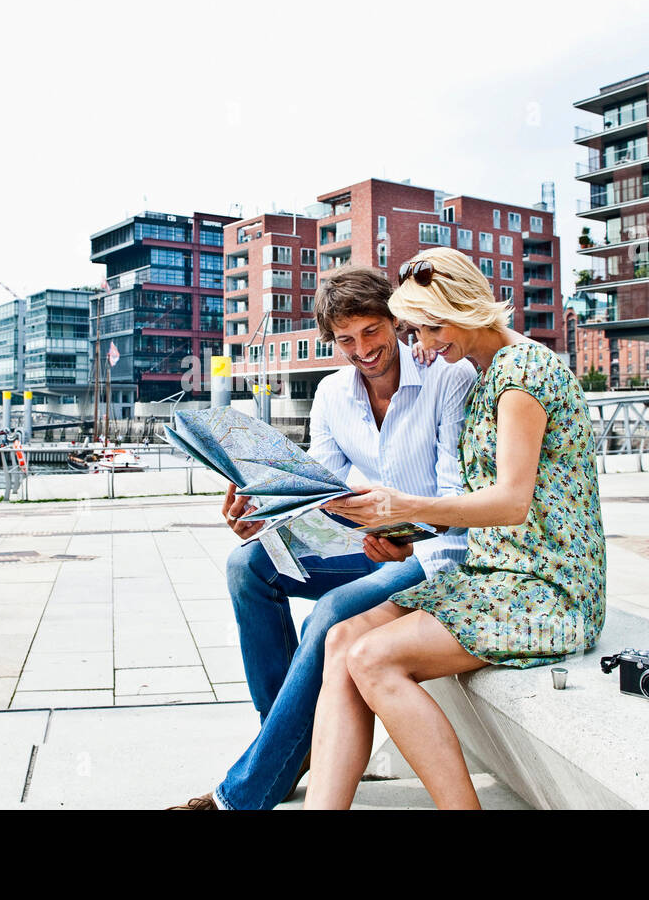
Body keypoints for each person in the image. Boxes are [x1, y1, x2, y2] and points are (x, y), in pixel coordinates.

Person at [304, 247, 606, 810]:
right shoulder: (487, 371)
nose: (423, 344)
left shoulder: (522, 374)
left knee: (373, 658)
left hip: (547, 588)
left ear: (469, 308)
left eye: (432, 327)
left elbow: (512, 502)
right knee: (341, 637)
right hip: (494, 574)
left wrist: (402, 505)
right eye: (417, 329)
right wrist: (402, 533)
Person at [170, 265, 476, 810]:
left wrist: (405, 527)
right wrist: (260, 513)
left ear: (395, 321)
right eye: (345, 339)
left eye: (371, 332)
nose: (362, 350)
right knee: (247, 566)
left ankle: (246, 792)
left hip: (432, 552)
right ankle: (285, 745)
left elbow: (459, 494)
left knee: (331, 611)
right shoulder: (334, 393)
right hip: (368, 546)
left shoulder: (444, 378)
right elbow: (312, 485)